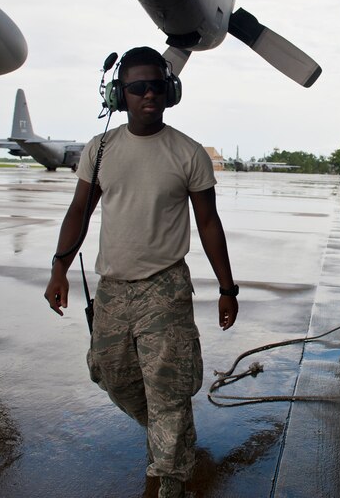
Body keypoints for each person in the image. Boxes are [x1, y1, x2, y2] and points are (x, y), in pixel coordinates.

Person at [43, 46, 239, 498]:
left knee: (168, 391)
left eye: (156, 85)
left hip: (165, 287)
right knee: (112, 375)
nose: (148, 94)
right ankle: (172, 437)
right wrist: (59, 269)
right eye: (136, 87)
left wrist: (227, 288)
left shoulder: (188, 153)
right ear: (119, 94)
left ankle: (167, 479)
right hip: (112, 288)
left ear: (170, 91)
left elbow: (209, 224)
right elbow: (79, 211)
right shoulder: (101, 148)